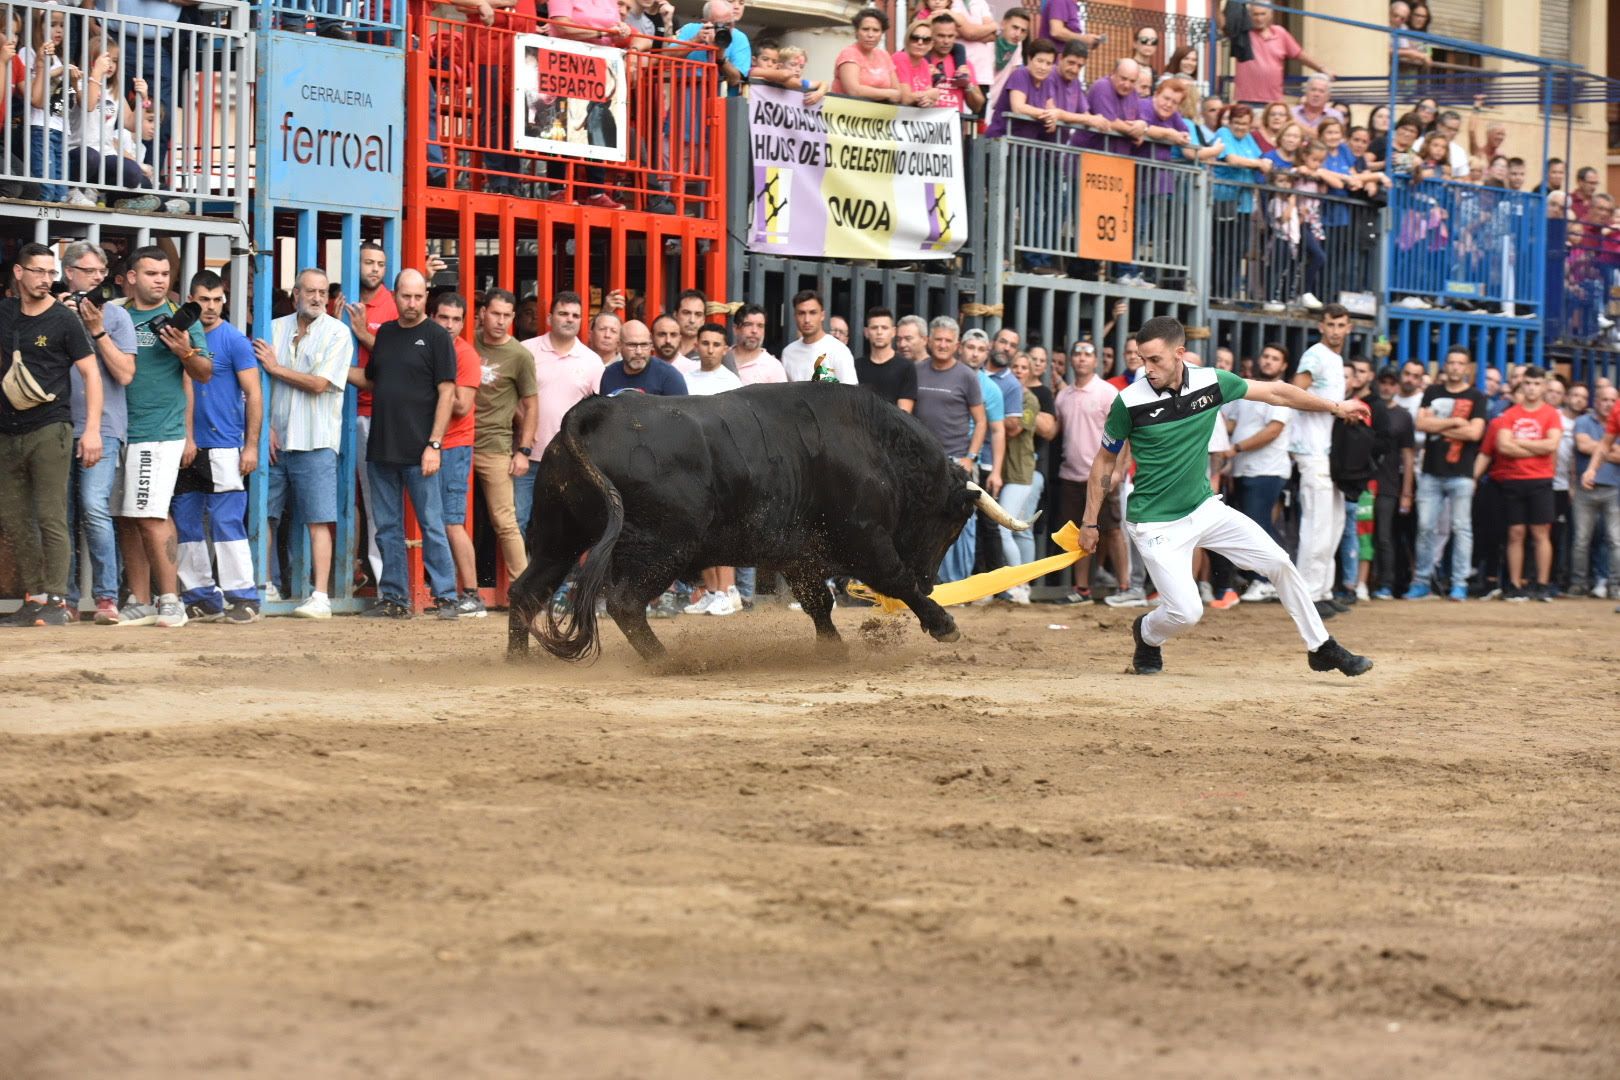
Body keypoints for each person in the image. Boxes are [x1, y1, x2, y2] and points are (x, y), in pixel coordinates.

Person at [1079, 316, 1371, 677]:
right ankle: (1147, 633)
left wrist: (1337, 407)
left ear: (1180, 353)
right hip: (1154, 521)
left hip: (1204, 508)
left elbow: (1278, 391)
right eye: (1142, 359)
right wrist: (1089, 521)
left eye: (1155, 359)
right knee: (1186, 613)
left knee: (1279, 561)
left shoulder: (1211, 382)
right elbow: (1104, 461)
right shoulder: (1128, 401)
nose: (1147, 368)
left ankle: (1321, 647)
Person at [350, 269, 461, 620]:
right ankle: (395, 599)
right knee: (387, 527)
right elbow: (370, 380)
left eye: (417, 296)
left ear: (426, 296)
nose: (411, 304)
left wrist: (434, 445)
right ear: (394, 295)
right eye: (405, 296)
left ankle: (445, 597)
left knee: (431, 524)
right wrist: (327, 371)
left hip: (420, 451)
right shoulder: (384, 335)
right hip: (382, 448)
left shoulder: (437, 337)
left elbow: (448, 393)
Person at [0, 243, 100, 627]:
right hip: (8, 430)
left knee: (50, 515)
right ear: (19, 273)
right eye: (38, 271)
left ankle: (58, 600)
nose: (46, 279)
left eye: (50, 272)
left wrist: (91, 430)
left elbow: (91, 375)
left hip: (51, 427)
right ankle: (34, 596)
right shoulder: (5, 312)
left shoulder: (64, 320)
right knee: (13, 518)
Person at [114, 246, 214, 629]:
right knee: (127, 518)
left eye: (165, 273)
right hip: (120, 430)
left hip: (158, 432)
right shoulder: (117, 313)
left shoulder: (180, 317)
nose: (160, 279)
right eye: (151, 273)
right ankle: (140, 600)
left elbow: (205, 373)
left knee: (151, 516)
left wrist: (185, 351)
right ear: (132, 277)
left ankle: (171, 600)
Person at [257, 268, 354, 618]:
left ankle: (321, 595)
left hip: (316, 439)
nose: (316, 298)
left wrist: (276, 368)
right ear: (295, 293)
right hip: (276, 439)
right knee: (264, 515)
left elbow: (319, 384)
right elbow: (256, 384)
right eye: (310, 291)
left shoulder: (338, 333)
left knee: (318, 519)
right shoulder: (274, 327)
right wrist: (265, 426)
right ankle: (263, 584)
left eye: (322, 292)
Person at [175, 270, 262, 623]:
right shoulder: (178, 337)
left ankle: (244, 597)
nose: (210, 307)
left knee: (226, 521)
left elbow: (254, 393)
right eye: (203, 300)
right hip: (183, 445)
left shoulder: (235, 340)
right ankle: (201, 597)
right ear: (191, 300)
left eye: (216, 300)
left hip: (225, 444)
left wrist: (251, 445)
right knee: (185, 521)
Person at [59, 242, 135, 625]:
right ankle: (65, 598)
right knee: (63, 514)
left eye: (102, 273)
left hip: (103, 428)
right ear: (69, 272)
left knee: (92, 506)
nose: (97, 280)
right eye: (90, 272)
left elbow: (124, 374)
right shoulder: (55, 311)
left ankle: (107, 597)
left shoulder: (117, 317)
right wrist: (61, 316)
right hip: (57, 426)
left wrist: (97, 330)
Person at [515, 291, 602, 530]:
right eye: (563, 313)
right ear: (550, 318)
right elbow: (509, 397)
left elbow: (596, 414)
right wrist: (523, 423)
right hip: (526, 458)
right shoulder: (525, 351)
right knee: (517, 523)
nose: (569, 319)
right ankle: (522, 569)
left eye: (575, 315)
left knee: (561, 528)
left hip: (568, 461)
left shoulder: (592, 361)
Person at [1475, 366, 1562, 601]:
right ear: (1521, 386)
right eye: (1528, 383)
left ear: (1543, 386)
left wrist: (1519, 445)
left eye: (1536, 384)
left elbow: (1551, 445)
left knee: (1541, 533)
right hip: (1513, 480)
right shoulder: (1510, 415)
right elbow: (1503, 446)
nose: (1532, 388)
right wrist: (1537, 447)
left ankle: (1542, 585)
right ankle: (1514, 585)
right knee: (1515, 532)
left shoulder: (1551, 414)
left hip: (1540, 480)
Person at [913, 316, 988, 583]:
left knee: (962, 524)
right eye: (938, 339)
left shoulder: (966, 376)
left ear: (957, 345)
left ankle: (960, 584)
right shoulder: (917, 370)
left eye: (948, 340)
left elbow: (981, 421)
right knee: (924, 522)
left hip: (958, 461)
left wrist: (970, 457)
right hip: (922, 463)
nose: (943, 345)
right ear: (929, 341)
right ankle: (930, 581)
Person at [1288, 305, 1352, 620]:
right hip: (1311, 449)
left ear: (1349, 327)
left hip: (1326, 451)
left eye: (1341, 324)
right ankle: (1309, 595)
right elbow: (1293, 391)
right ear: (1321, 326)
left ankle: (1323, 590)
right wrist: (1335, 407)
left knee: (1333, 521)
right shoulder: (1315, 355)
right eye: (1331, 324)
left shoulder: (1335, 359)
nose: (1336, 330)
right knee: (1317, 523)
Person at [1409, 347, 1487, 600]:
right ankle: (1421, 581)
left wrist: (1438, 428)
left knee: (1462, 528)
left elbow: (1475, 433)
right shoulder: (1432, 392)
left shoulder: (1477, 396)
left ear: (1467, 368)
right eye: (1451, 362)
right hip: (1431, 472)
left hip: (1462, 474)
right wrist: (1454, 423)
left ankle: (1459, 583)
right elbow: (1421, 424)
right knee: (1425, 527)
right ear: (1445, 365)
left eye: (1460, 363)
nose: (1455, 367)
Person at [429, 292, 489, 618]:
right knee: (435, 521)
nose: (450, 325)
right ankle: (446, 593)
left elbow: (463, 405)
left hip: (454, 446)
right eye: (444, 318)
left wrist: (424, 386)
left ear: (465, 322)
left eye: (456, 319)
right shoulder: (427, 345)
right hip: (428, 444)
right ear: (433, 316)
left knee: (452, 522)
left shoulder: (465, 355)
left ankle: (472, 595)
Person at [677, 323, 744, 617]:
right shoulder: (684, 379)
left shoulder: (733, 383)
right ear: (697, 345)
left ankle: (729, 592)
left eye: (716, 344)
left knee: (722, 530)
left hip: (722, 465)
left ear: (725, 348)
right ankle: (711, 591)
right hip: (691, 463)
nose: (710, 349)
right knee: (696, 530)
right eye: (705, 343)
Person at [1053, 340, 1127, 603]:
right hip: (1071, 475)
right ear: (1071, 360)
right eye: (1078, 354)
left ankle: (1125, 588)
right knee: (1077, 533)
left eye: (1088, 354)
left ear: (1095, 361)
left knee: (1113, 531)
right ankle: (1081, 589)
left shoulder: (1107, 393)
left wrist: (1118, 473)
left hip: (1101, 478)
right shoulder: (1063, 396)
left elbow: (1124, 436)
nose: (1082, 358)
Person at [472, 288, 538, 581]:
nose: (500, 321)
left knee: (505, 520)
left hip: (495, 446)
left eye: (506, 316)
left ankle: (522, 590)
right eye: (495, 314)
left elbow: (532, 406)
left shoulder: (520, 355)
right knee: (452, 520)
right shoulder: (465, 343)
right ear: (483, 313)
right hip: (457, 444)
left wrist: (524, 451)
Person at [1221, 343, 1293, 603]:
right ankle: (1266, 580)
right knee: (1254, 526)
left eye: (1275, 358)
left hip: (1267, 470)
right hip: (1245, 470)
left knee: (1260, 526)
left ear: (1283, 365)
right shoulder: (1249, 389)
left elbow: (1273, 431)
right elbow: (1233, 423)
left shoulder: (1281, 393)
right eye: (1265, 356)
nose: (1269, 361)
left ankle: (1268, 581)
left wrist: (1235, 448)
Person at [344, 241, 397, 588]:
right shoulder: (341, 297)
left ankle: (383, 579)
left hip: (372, 412)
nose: (375, 269)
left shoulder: (391, 304)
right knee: (343, 498)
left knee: (376, 499)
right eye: (368, 262)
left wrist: (363, 334)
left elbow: (397, 353)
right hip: (335, 411)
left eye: (380, 263)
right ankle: (348, 571)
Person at [1369, 365, 1416, 599]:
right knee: (1363, 535)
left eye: (1391, 383)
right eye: (1383, 382)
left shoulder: (1404, 415)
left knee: (1385, 536)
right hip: (1364, 481)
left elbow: (1408, 456)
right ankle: (1364, 582)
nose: (1386, 387)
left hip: (1389, 484)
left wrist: (1406, 491)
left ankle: (1386, 583)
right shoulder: (1368, 408)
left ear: (1397, 387)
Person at [1570, 386, 1619, 597]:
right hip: (1588, 490)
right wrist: (1591, 469)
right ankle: (1579, 584)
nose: (1608, 404)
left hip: (1613, 488)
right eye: (1604, 399)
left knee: (1616, 540)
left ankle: (1616, 586)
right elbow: (1602, 446)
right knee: (1582, 539)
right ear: (1596, 401)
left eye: (1612, 399)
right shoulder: (1614, 414)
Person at [1233, 2, 1331, 106]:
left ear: (1271, 14)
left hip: (1274, 101)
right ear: (1250, 15)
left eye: (1262, 14)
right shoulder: (1243, 32)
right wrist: (1216, 5)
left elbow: (1300, 55)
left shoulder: (1280, 33)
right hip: (1247, 100)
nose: (1259, 18)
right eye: (1255, 14)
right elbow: (1223, 25)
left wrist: (1322, 69)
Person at [780, 291, 857, 384]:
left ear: (822, 315)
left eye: (813, 313)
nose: (807, 320)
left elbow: (851, 392)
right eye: (801, 313)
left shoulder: (839, 350)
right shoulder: (788, 353)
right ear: (795, 316)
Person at [601, 319, 689, 396]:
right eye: (632, 345)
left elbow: (682, 413)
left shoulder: (670, 377)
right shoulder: (609, 374)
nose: (639, 352)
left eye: (644, 345)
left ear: (651, 345)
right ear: (619, 346)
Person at [835, 8, 905, 104]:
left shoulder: (884, 55)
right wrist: (887, 93)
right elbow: (853, 91)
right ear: (856, 31)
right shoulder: (849, 53)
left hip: (879, 115)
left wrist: (887, 94)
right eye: (865, 29)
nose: (870, 35)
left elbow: (897, 93)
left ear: (882, 34)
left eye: (876, 30)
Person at [854, 306, 916, 411]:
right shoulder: (856, 366)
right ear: (866, 332)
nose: (879, 332)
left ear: (893, 332)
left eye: (884, 328)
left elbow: (904, 414)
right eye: (874, 328)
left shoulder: (906, 367)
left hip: (894, 426)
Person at [727, 304, 787, 385]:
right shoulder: (721, 357)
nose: (754, 331)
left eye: (760, 326)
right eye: (748, 324)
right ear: (735, 329)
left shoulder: (773, 367)